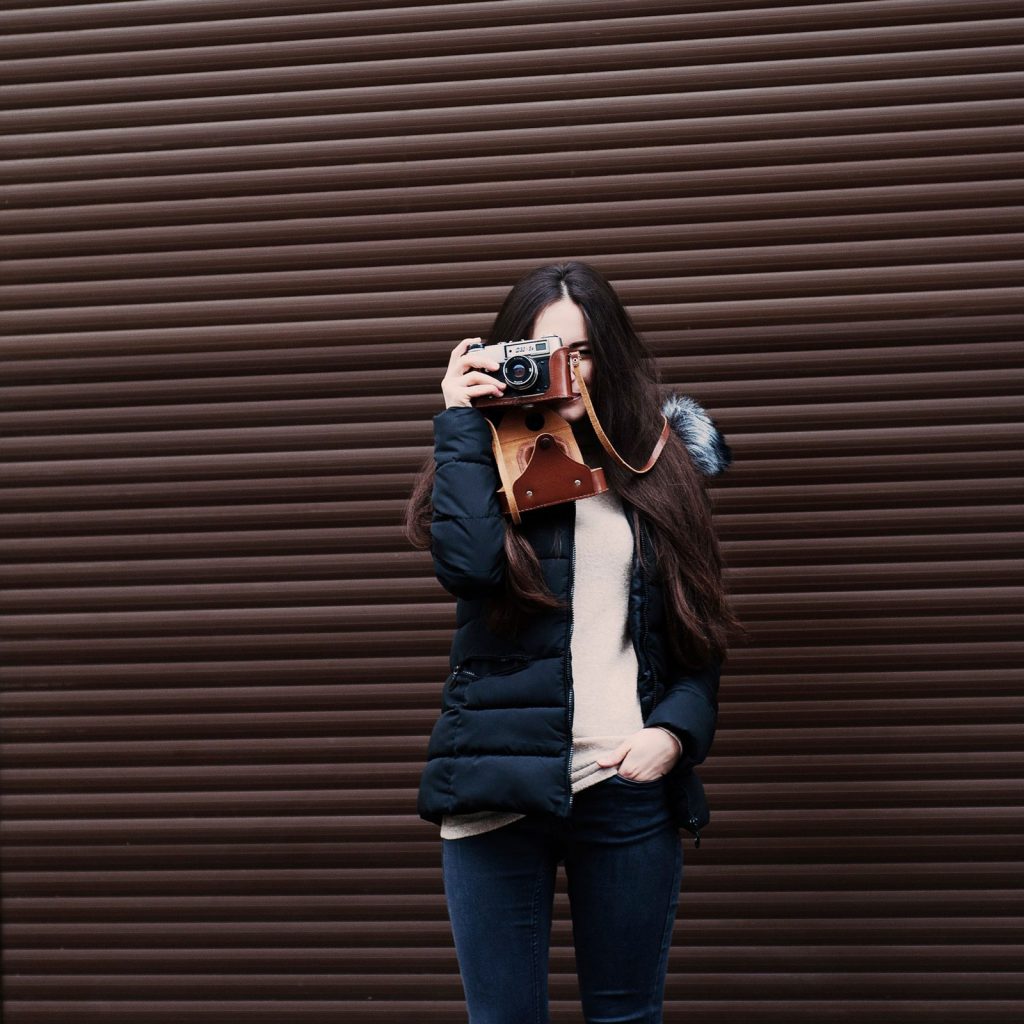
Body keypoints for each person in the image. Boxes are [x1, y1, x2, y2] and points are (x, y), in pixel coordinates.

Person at [404, 261, 744, 1024]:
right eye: (538, 347)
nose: (560, 367)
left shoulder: (654, 465)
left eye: (580, 351)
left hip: (623, 787)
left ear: (610, 356)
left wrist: (672, 736)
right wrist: (462, 419)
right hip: (497, 789)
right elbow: (471, 569)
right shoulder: (477, 457)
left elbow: (699, 631)